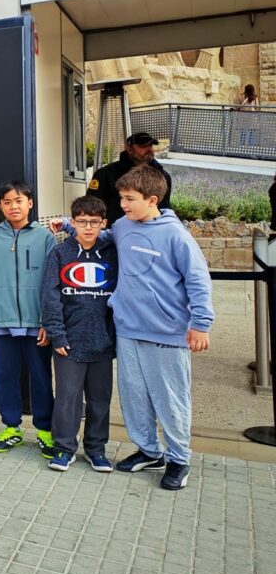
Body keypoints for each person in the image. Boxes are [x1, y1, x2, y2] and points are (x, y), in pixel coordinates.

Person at [76, 166, 213, 490]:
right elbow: (104, 237)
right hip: (127, 330)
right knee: (134, 396)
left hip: (167, 332)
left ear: (152, 200)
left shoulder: (176, 235)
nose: (122, 204)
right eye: (121, 198)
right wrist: (71, 227)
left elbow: (198, 280)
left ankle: (179, 459)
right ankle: (150, 451)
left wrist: (201, 324)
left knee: (170, 400)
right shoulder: (123, 226)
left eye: (129, 199)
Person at [0, 180, 58, 456]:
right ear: (0, 206)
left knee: (40, 378)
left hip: (36, 324)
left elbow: (52, 283)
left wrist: (48, 322)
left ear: (30, 203)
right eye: (7, 202)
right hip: (3, 323)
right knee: (4, 377)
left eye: (19, 201)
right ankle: (11, 427)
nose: (13, 206)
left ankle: (45, 430)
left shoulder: (45, 237)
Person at [41, 196, 117, 472]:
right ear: (72, 222)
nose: (88, 227)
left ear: (103, 223)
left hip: (102, 343)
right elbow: (50, 297)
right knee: (67, 399)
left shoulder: (112, 253)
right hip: (69, 343)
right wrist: (57, 334)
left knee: (100, 400)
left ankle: (96, 450)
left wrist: (114, 337)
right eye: (82, 221)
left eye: (94, 222)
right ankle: (64, 447)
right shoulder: (60, 254)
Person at [87, 131, 172, 226]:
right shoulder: (106, 174)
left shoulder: (163, 176)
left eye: (151, 145)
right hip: (114, 230)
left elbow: (165, 207)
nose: (149, 149)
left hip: (151, 230)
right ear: (129, 149)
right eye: (143, 146)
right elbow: (91, 206)